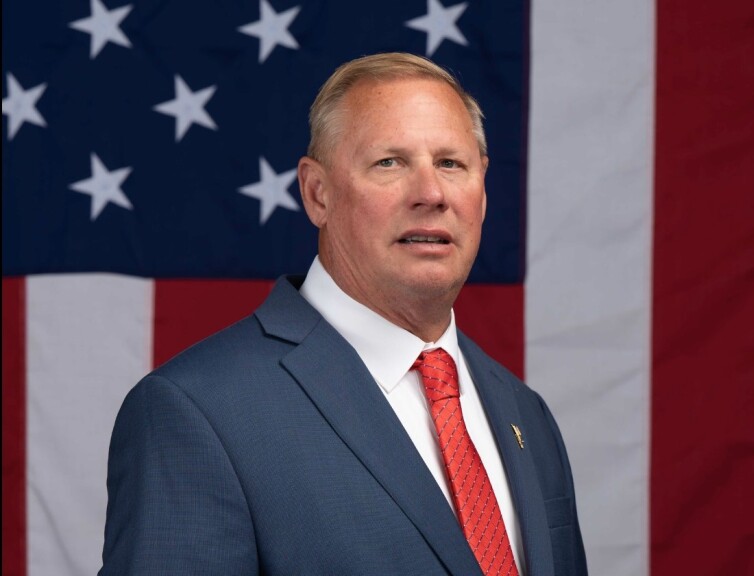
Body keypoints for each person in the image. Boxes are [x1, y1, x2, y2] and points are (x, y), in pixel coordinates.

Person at [99, 52, 588, 575]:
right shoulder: (196, 413)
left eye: (450, 163)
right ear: (317, 193)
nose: (431, 194)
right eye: (390, 163)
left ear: (483, 191)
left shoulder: (525, 414)